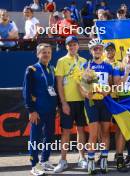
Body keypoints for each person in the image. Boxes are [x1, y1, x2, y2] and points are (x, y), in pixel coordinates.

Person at [23, 43, 58, 176]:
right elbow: (26, 92)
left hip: (50, 109)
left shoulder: (52, 68)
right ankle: (34, 164)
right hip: (37, 110)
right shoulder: (31, 69)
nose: (46, 55)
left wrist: (57, 106)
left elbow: (54, 89)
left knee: (49, 136)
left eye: (48, 52)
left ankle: (44, 160)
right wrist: (31, 110)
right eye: (43, 52)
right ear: (38, 54)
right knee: (35, 138)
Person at [54, 36, 88, 173]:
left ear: (78, 46)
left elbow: (88, 82)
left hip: (82, 101)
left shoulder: (84, 61)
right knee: (66, 131)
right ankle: (63, 160)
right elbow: (59, 85)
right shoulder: (61, 61)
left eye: (74, 44)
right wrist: (63, 103)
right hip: (67, 102)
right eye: (70, 45)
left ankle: (82, 158)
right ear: (66, 47)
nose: (72, 47)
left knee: (81, 130)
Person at [80, 38, 113, 175]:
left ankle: (104, 160)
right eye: (95, 48)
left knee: (105, 132)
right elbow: (81, 86)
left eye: (99, 48)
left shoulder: (108, 66)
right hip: (92, 102)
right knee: (93, 134)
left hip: (105, 101)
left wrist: (108, 91)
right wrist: (87, 95)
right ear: (91, 51)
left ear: (102, 50)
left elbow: (111, 84)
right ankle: (91, 161)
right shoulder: (86, 66)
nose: (97, 50)